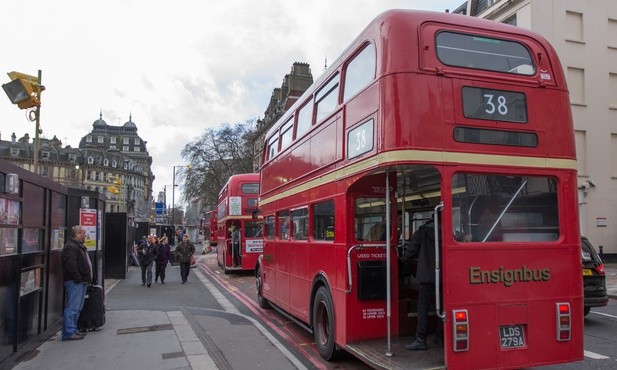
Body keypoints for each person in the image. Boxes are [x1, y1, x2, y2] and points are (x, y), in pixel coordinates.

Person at [403, 218, 441, 350]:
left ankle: (421, 339)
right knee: (442, 306)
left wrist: (404, 258)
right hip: (443, 276)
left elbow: (410, 252)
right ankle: (441, 336)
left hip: (426, 276)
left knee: (423, 307)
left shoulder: (422, 232)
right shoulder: (448, 233)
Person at [61, 225, 92, 341]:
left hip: (81, 281)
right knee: (72, 307)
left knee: (77, 307)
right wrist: (78, 278)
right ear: (77, 234)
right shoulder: (71, 247)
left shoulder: (78, 247)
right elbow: (71, 264)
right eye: (84, 233)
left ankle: (73, 329)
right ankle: (68, 332)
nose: (85, 235)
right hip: (75, 282)